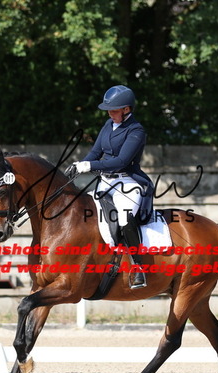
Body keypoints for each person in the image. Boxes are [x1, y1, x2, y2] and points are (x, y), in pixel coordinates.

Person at [68, 85, 154, 289]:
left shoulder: (136, 130)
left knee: (124, 218)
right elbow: (95, 152)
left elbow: (121, 161)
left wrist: (90, 166)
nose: (109, 113)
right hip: (105, 181)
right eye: (108, 110)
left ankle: (138, 266)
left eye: (114, 110)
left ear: (126, 109)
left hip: (127, 181)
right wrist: (80, 165)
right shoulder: (108, 124)